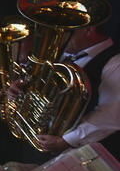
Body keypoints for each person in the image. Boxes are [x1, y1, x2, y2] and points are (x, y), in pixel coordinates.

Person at [31, 23, 119, 156]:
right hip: (43, 142)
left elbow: (110, 116)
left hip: (85, 154)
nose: (58, 39)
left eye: (64, 33)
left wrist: (66, 140)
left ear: (88, 29)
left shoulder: (115, 63)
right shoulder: (64, 55)